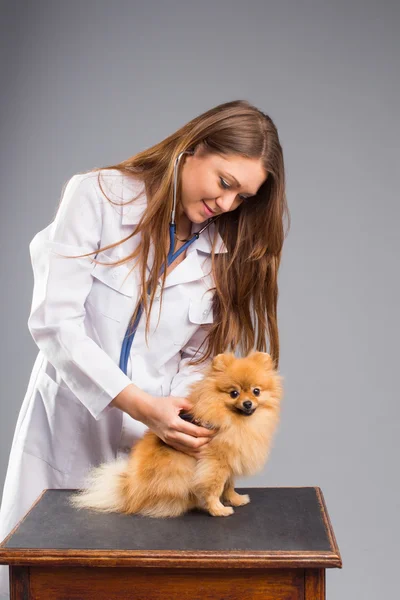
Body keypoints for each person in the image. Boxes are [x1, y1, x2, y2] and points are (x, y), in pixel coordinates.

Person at [0, 99, 289, 597]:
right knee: (52, 583)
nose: (226, 205)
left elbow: (197, 357)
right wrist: (141, 405)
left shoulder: (223, 251)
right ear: (194, 148)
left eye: (242, 197)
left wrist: (179, 417)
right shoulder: (99, 196)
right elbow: (55, 321)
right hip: (65, 432)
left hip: (160, 452)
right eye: (224, 183)